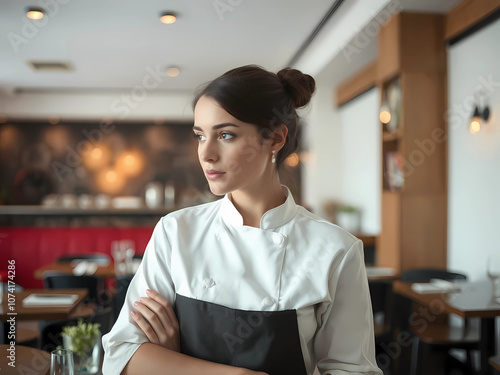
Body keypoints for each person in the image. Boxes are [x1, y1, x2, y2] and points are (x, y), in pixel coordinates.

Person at [102, 65, 382, 375]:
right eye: (199, 136)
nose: (206, 154)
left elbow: (353, 370)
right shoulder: (175, 232)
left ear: (275, 138)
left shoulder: (336, 250)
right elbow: (121, 355)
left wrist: (173, 358)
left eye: (225, 135)